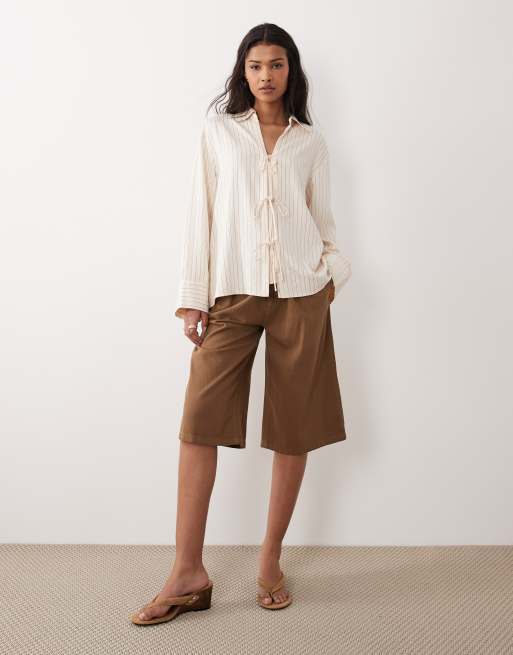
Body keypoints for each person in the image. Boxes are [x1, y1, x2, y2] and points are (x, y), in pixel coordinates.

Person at [130, 22, 351, 626]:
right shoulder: (219, 132)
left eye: (276, 64)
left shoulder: (311, 142)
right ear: (243, 72)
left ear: (290, 70)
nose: (266, 75)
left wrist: (331, 277)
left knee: (293, 431)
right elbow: (198, 214)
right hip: (231, 294)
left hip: (301, 295)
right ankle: (187, 572)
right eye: (255, 66)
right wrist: (193, 298)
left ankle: (270, 560)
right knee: (199, 423)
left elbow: (325, 223)